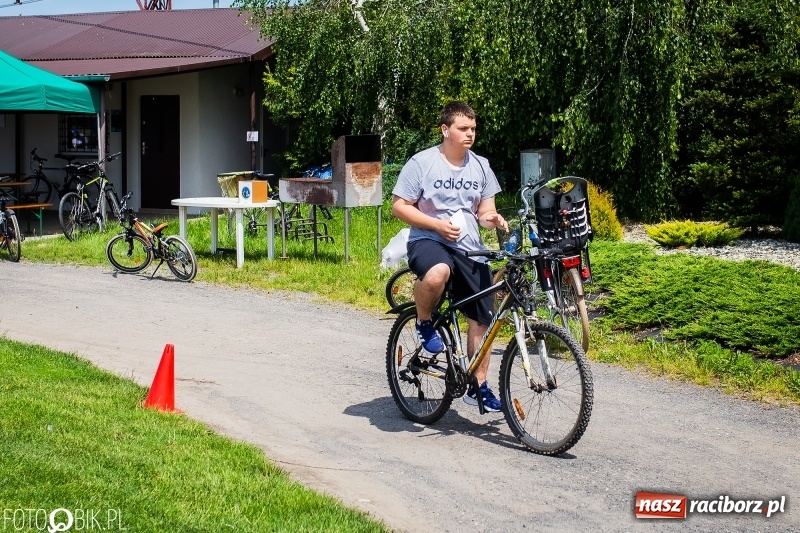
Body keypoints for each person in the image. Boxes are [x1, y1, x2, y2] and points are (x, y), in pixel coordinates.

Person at [391, 101, 508, 412]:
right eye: (463, 128)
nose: (470, 134)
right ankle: (424, 322)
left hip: (468, 245)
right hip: (429, 239)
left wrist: (492, 219)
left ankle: (478, 386)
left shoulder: (481, 166)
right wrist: (436, 225)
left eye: (473, 128)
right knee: (438, 272)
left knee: (482, 319)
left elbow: (484, 211)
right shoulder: (422, 163)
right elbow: (399, 206)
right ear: (446, 130)